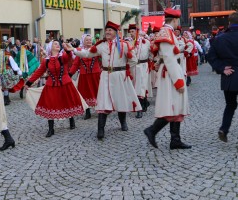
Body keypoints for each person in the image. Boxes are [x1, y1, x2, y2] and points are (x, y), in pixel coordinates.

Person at [68, 21, 142, 139]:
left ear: (116, 33)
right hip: (106, 76)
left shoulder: (124, 45)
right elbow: (87, 54)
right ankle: (100, 130)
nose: (107, 32)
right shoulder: (100, 45)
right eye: (106, 30)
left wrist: (126, 70)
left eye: (110, 30)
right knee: (103, 101)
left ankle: (123, 122)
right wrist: (74, 50)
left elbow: (133, 60)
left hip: (119, 76)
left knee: (120, 100)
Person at [143, 8, 191, 150]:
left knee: (176, 106)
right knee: (172, 106)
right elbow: (170, 59)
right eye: (178, 21)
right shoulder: (167, 33)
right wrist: (178, 81)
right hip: (171, 73)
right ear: (175, 20)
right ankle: (152, 130)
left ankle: (175, 140)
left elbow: (167, 55)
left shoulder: (166, 32)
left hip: (171, 71)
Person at [25, 40, 85, 137]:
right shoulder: (46, 60)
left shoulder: (63, 56)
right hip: (51, 85)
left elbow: (69, 57)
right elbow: (39, 72)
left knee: (67, 102)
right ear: (50, 47)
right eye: (55, 44)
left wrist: (68, 50)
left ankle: (71, 120)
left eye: (58, 44)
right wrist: (29, 82)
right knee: (50, 105)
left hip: (65, 83)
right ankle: (51, 129)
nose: (58, 45)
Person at [207, 12, 238, 142]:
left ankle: (223, 129)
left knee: (230, 105)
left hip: (229, 76)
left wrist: (221, 68)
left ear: (229, 23)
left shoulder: (220, 38)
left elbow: (210, 57)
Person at [69, 34, 101, 120]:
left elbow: (102, 60)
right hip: (84, 75)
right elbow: (75, 64)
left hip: (96, 74)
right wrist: (70, 74)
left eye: (90, 40)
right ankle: (87, 112)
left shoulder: (96, 49)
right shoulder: (80, 51)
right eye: (87, 40)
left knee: (98, 92)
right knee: (85, 93)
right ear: (83, 41)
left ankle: (100, 110)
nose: (89, 41)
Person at [128, 24, 151, 118]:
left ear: (137, 32)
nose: (131, 34)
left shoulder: (145, 42)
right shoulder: (128, 42)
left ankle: (139, 108)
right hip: (133, 66)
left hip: (143, 66)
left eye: (133, 31)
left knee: (141, 86)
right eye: (130, 32)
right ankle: (145, 102)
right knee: (134, 86)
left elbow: (151, 52)